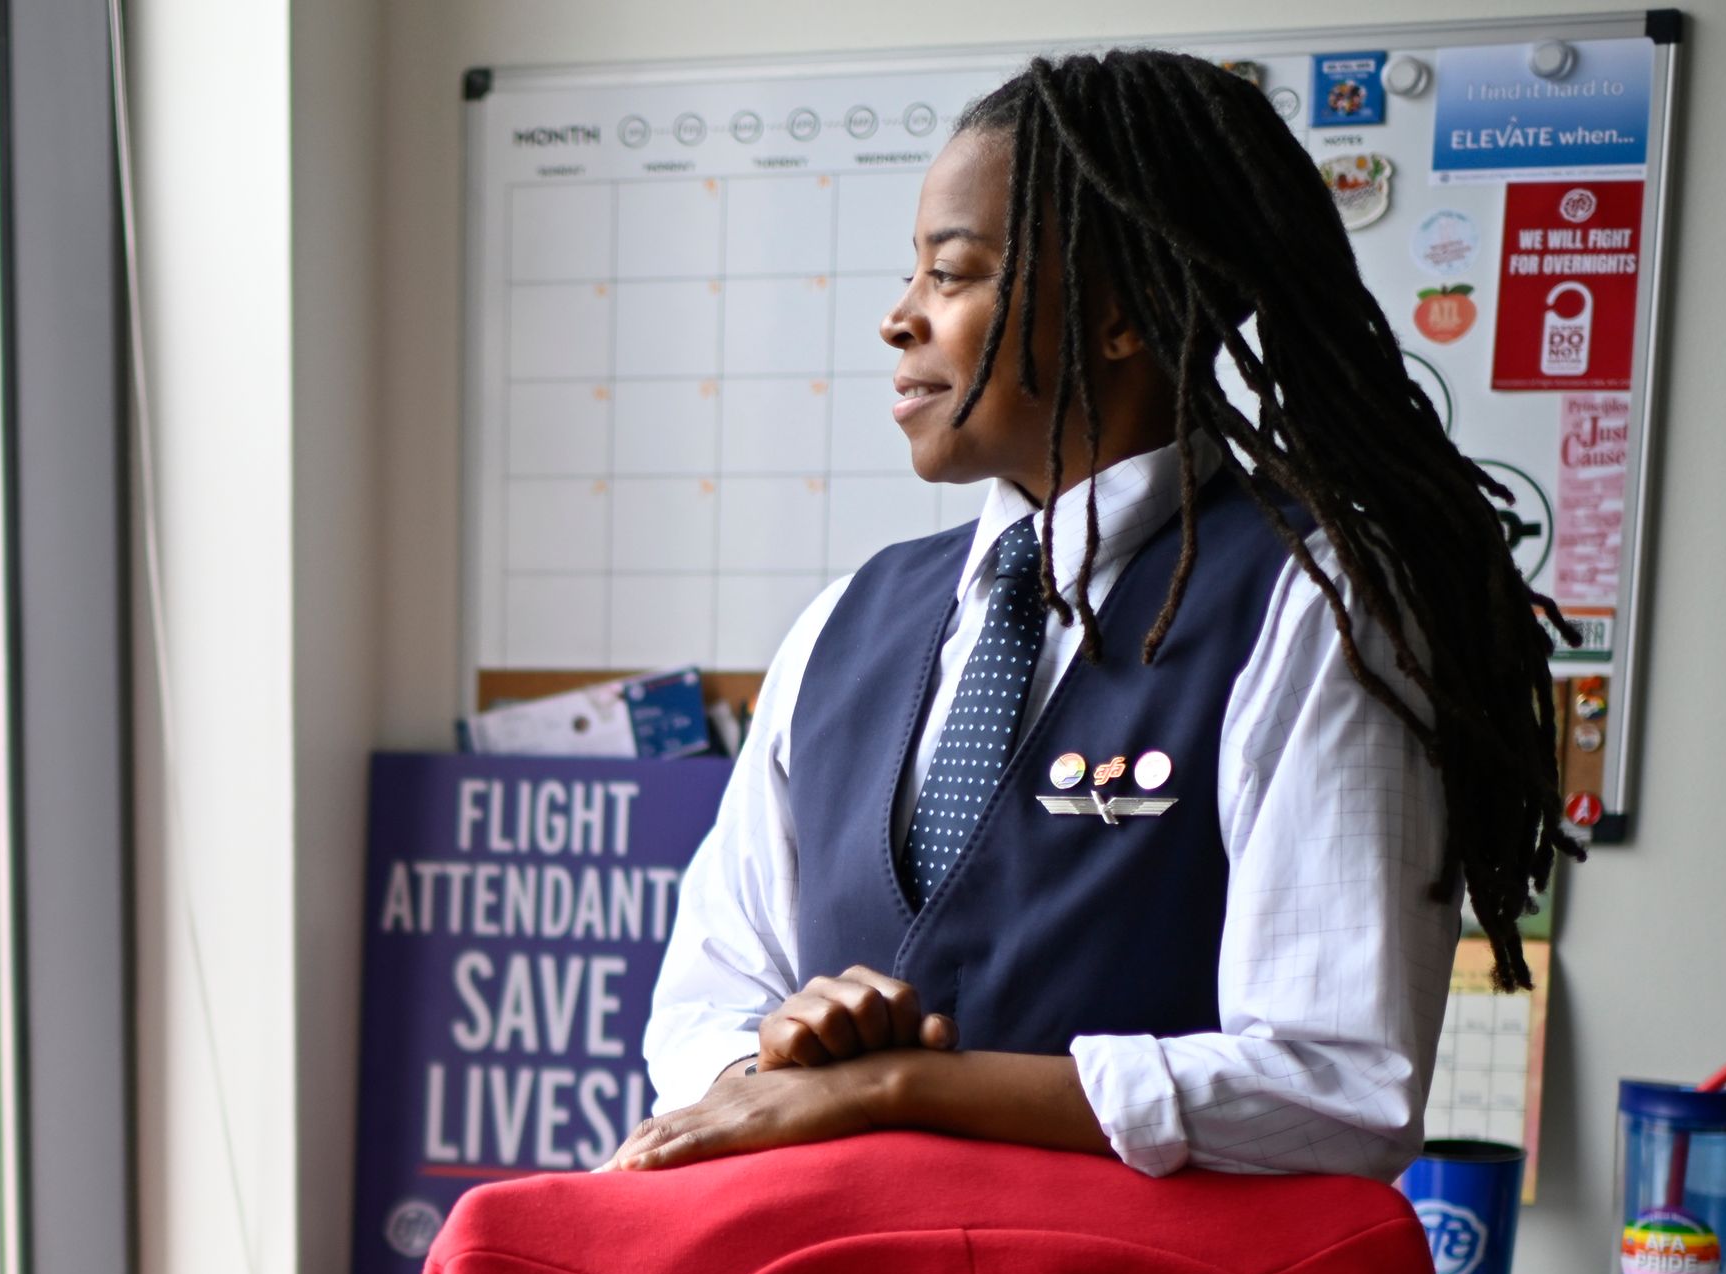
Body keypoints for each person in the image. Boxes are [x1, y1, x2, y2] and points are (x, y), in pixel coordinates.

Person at [615, 49, 1571, 1179]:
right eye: (912, 275)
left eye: (952, 274)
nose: (899, 319)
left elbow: (1339, 1088)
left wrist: (899, 1085)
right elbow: (704, 1000)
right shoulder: (843, 625)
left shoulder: (1317, 606)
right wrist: (765, 1068)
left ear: (1116, 316)